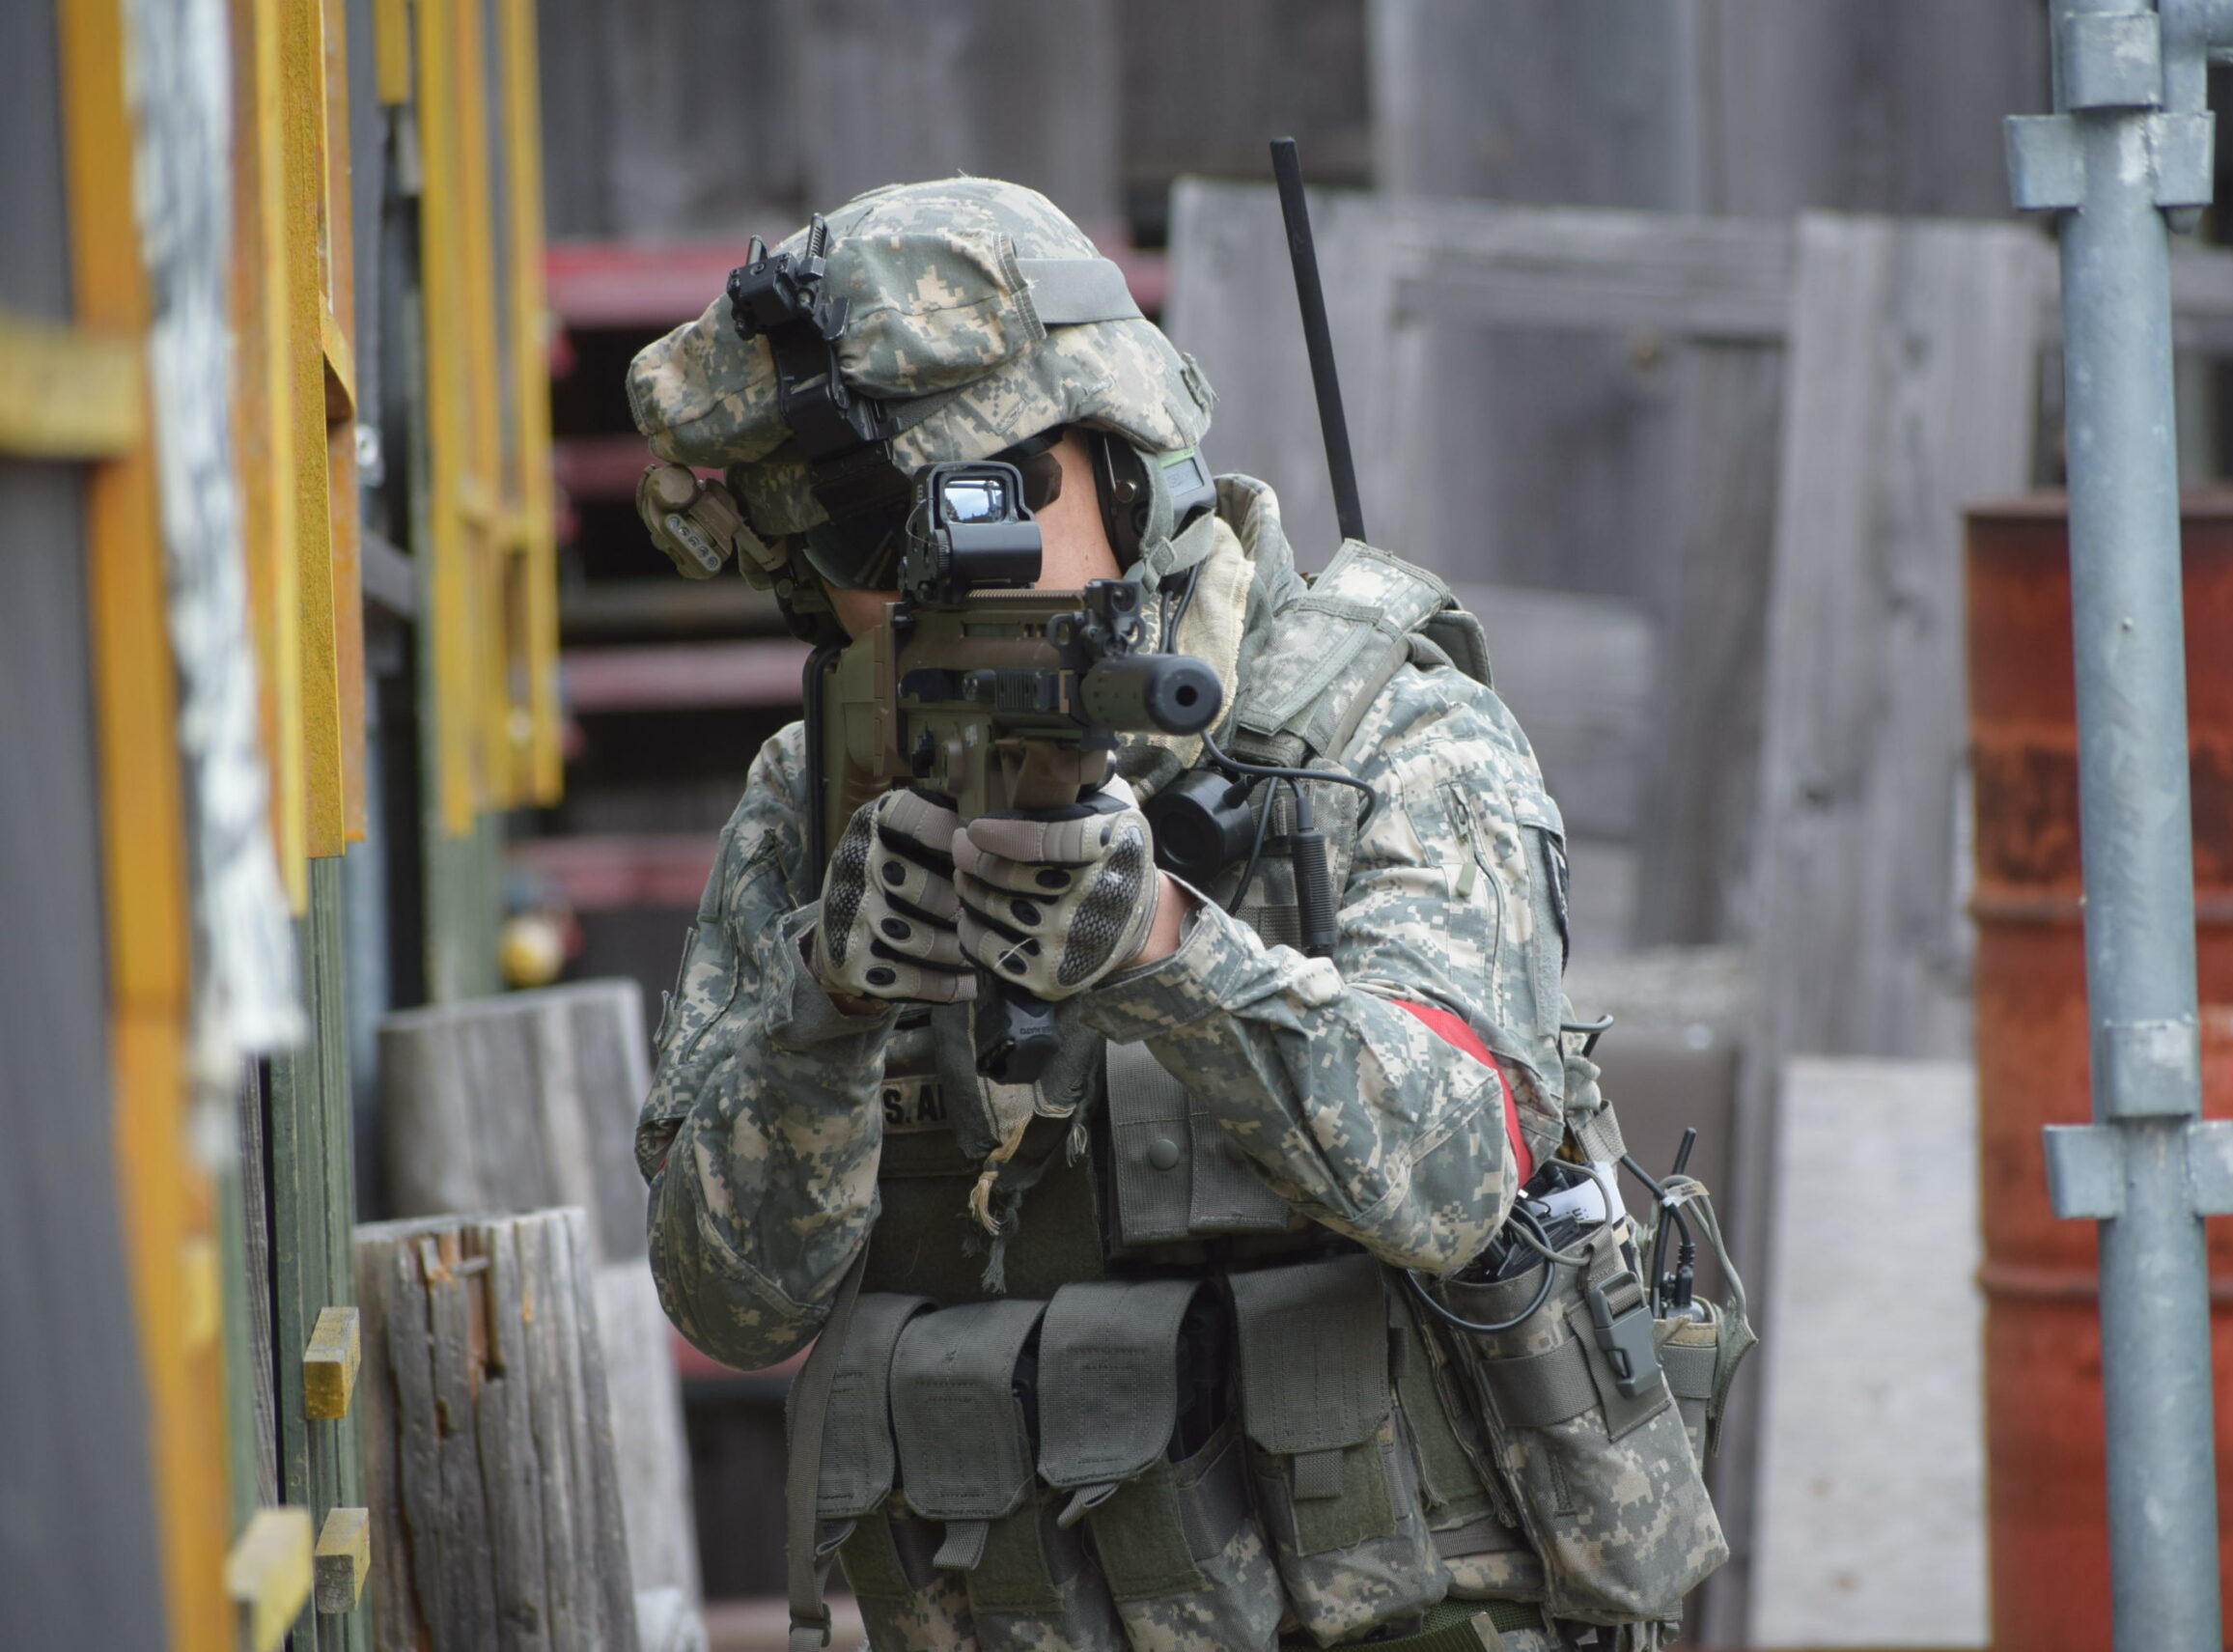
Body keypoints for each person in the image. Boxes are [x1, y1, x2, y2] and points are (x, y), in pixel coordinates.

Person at [627, 177, 1725, 1652]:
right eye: (863, 548)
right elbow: (732, 1308)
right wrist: (826, 1006)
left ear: (1122, 453)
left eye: (990, 497)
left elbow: (1460, 1170)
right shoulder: (816, 799)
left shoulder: (1378, 733)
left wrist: (1165, 953)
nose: (937, 579)